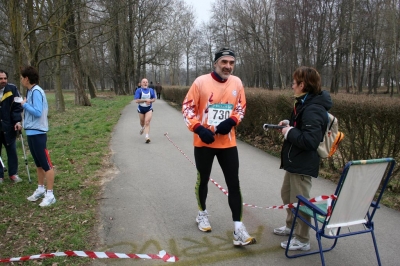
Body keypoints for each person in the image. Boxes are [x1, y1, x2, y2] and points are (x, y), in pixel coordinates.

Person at [182, 47, 256, 246]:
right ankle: (202, 214)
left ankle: (238, 229)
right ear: (215, 63)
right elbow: (187, 108)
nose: (228, 67)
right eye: (224, 62)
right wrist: (198, 128)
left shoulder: (237, 82)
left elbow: (241, 107)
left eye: (231, 63)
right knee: (203, 179)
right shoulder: (200, 82)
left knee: (234, 183)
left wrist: (232, 121)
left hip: (227, 142)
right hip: (204, 141)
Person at [274, 66, 332, 251]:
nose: (292, 86)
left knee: (301, 201)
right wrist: (290, 125)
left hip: (303, 164)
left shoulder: (313, 108)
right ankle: (291, 227)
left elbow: (310, 141)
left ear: (303, 84)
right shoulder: (304, 103)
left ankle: (302, 239)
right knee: (287, 195)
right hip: (294, 161)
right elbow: (304, 129)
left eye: (294, 82)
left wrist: (289, 132)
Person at [19, 66, 57, 207]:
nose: (21, 80)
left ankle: (50, 194)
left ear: (27, 78)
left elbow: (37, 112)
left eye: (22, 78)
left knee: (46, 164)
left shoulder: (36, 92)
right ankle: (40, 189)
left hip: (38, 133)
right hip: (31, 132)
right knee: (39, 164)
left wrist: (24, 104)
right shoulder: (30, 92)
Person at [0, 70, 23, 184]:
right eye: (1, 79)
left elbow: (17, 107)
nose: (3, 81)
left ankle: (13, 174)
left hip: (9, 127)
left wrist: (17, 121)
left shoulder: (12, 89)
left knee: (12, 151)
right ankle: (0, 176)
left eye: (5, 78)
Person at [134, 78, 156, 143]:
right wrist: (145, 100)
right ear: (141, 84)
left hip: (149, 108)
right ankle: (143, 127)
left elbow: (154, 99)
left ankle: (147, 136)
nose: (145, 83)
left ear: (148, 83)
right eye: (143, 82)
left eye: (146, 82)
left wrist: (150, 101)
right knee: (142, 122)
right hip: (141, 108)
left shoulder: (151, 90)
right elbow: (137, 100)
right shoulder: (138, 90)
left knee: (147, 122)